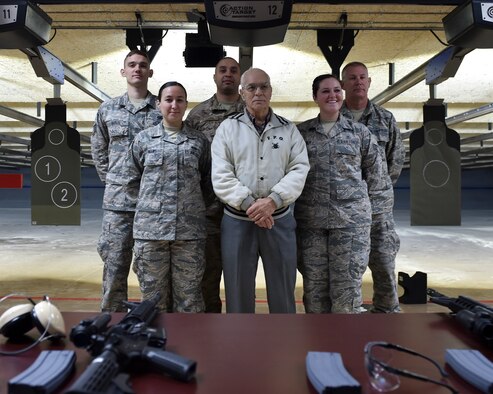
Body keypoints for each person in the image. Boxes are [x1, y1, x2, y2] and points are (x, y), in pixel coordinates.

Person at [211, 67, 309, 313]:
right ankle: (241, 345)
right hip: (237, 223)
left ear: (271, 91)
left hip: (279, 222)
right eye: (252, 88)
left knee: (283, 291)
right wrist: (250, 205)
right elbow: (221, 174)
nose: (258, 92)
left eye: (263, 86)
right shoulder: (227, 129)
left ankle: (283, 343)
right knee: (238, 292)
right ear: (242, 93)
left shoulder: (289, 130)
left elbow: (299, 169)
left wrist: (273, 201)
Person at [294, 74, 392, 313]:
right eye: (325, 91)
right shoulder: (300, 134)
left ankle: (346, 347)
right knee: (315, 294)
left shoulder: (360, 133)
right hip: (311, 226)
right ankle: (317, 346)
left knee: (346, 296)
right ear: (315, 97)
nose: (332, 96)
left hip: (351, 226)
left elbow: (378, 180)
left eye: (337, 90)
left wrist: (377, 223)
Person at [126, 81, 213, 312]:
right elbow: (132, 181)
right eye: (168, 99)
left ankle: (189, 347)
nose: (174, 105)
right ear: (158, 104)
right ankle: (155, 344)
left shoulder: (199, 141)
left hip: (189, 234)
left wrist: (190, 207)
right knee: (153, 301)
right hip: (150, 234)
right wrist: (150, 209)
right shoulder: (143, 140)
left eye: (179, 100)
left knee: (190, 299)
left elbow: (207, 182)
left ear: (186, 105)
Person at [91, 49, 162, 312]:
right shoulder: (108, 110)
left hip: (152, 206)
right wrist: (114, 181)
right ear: (123, 71)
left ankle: (150, 322)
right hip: (117, 206)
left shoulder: (160, 109)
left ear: (149, 72)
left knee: (151, 271)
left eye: (143, 65)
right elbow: (99, 149)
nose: (137, 69)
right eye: (131, 65)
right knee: (114, 267)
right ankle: (109, 323)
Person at [341, 61, 405, 313]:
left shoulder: (385, 119)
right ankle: (353, 318)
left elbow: (394, 163)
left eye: (362, 77)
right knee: (349, 268)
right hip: (345, 212)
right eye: (352, 78)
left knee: (384, 265)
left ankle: (388, 315)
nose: (358, 82)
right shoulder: (335, 117)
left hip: (379, 211)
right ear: (344, 84)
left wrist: (375, 195)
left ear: (369, 83)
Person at [185, 57, 244, 313]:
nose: (228, 74)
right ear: (215, 76)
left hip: (244, 210)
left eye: (233, 70)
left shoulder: (252, 110)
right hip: (208, 211)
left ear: (240, 77)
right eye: (222, 70)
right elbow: (188, 160)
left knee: (241, 275)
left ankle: (241, 328)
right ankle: (209, 330)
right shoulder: (198, 115)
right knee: (207, 276)